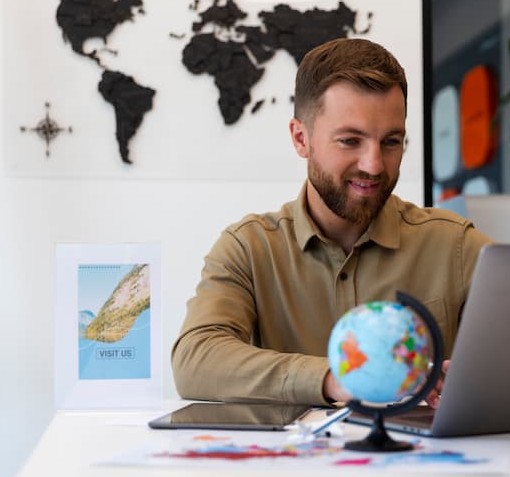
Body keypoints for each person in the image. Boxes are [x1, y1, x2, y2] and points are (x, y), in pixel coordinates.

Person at [172, 38, 492, 407]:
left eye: (391, 142)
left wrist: (485, 382)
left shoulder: (457, 247)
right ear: (300, 138)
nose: (374, 164)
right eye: (350, 140)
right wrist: (336, 379)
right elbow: (195, 359)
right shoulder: (249, 248)